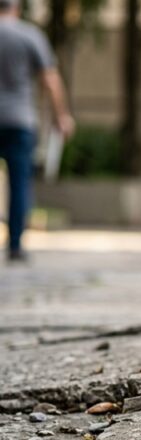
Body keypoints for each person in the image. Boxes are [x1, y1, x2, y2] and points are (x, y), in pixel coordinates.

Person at [0, 0, 74, 262]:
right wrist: (61, 116)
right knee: (19, 183)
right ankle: (15, 245)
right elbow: (50, 80)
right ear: (17, 8)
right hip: (20, 119)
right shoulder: (30, 35)